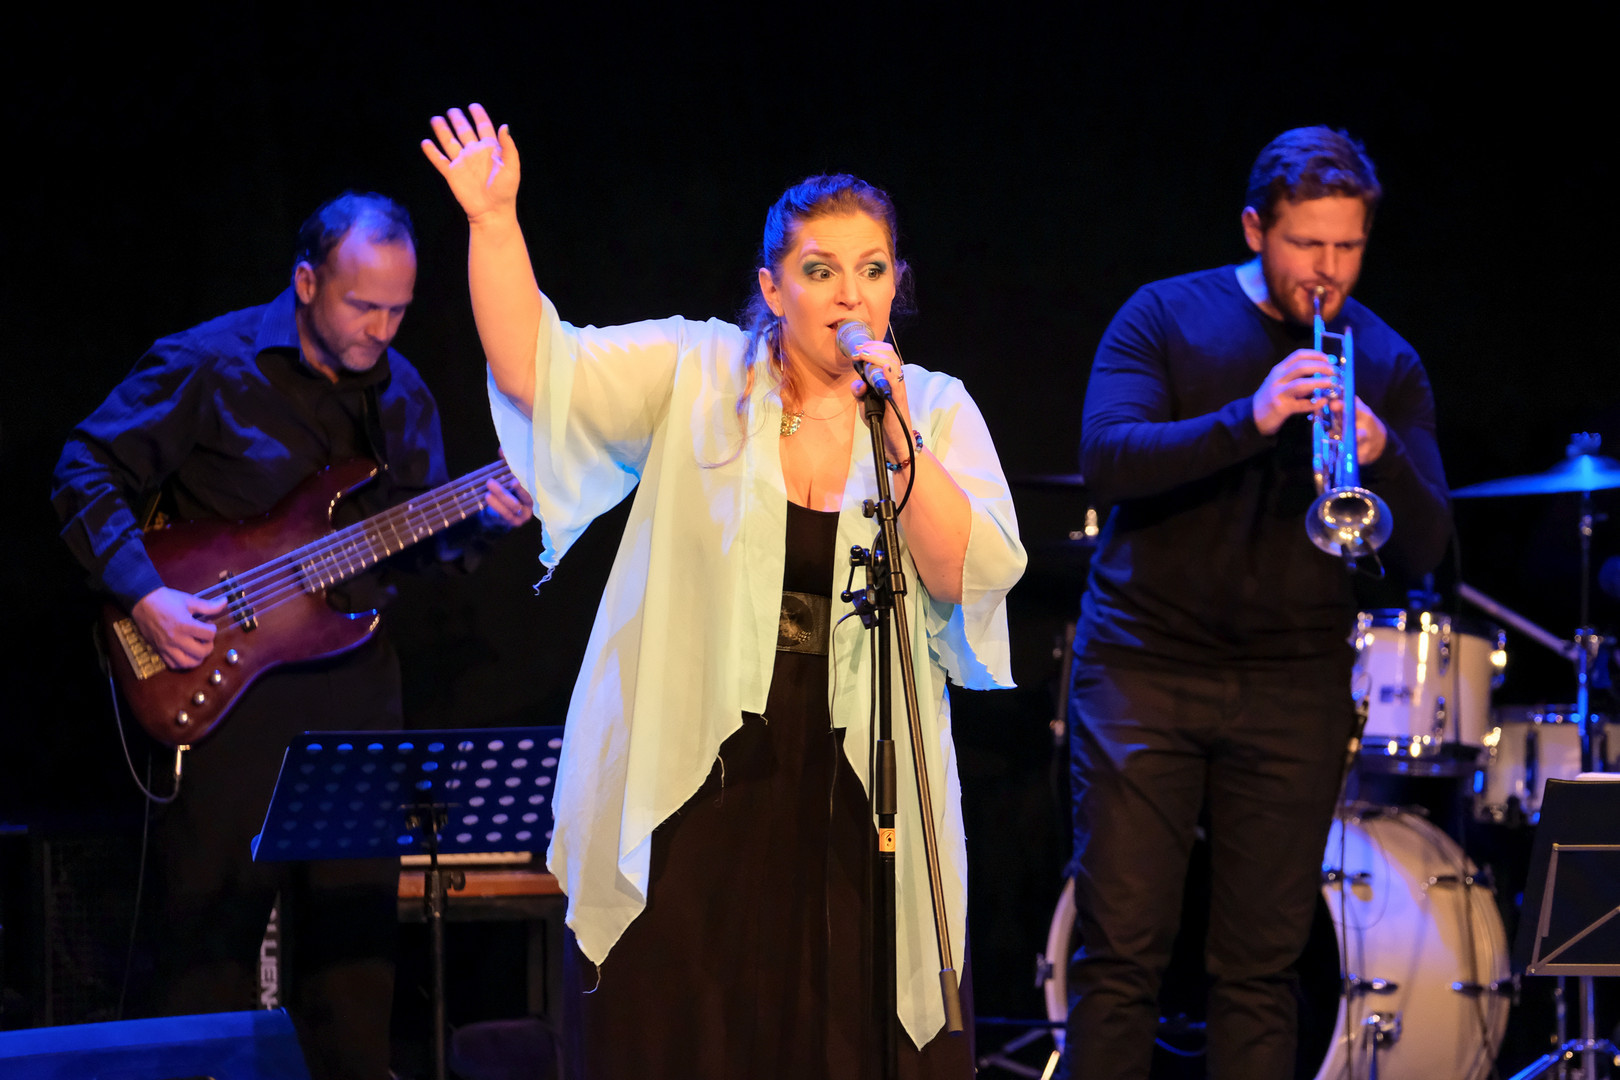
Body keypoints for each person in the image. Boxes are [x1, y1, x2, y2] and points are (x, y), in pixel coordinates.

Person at [421, 104, 1026, 1078]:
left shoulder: (934, 409)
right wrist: (494, 222)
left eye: (872, 269)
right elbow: (538, 370)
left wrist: (897, 425)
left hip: (856, 766)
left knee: (848, 1018)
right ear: (772, 287)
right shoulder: (699, 371)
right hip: (698, 763)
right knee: (689, 1023)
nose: (850, 293)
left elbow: (964, 572)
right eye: (820, 270)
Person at [51, 192, 532, 1080]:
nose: (381, 329)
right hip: (227, 689)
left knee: (355, 962)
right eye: (362, 305)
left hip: (354, 692)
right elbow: (83, 469)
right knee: (207, 956)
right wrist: (146, 593)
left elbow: (416, 551)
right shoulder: (211, 362)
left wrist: (481, 524)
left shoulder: (403, 392)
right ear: (307, 282)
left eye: (398, 309)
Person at [1063, 127, 1451, 1079]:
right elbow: (1108, 459)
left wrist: (1381, 455)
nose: (1328, 271)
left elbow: (1430, 548)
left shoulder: (1386, 359)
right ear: (1254, 229)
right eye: (1306, 244)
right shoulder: (1164, 314)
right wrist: (1255, 415)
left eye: (1348, 246)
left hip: (1293, 685)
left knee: (1262, 969)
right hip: (1143, 668)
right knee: (1121, 955)